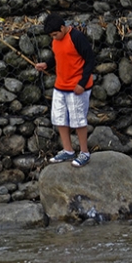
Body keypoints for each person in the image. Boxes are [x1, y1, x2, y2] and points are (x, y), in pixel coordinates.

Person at [34, 13, 96, 168]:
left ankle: (84, 152)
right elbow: (58, 56)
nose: (54, 38)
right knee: (59, 118)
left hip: (77, 87)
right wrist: (46, 65)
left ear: (63, 28)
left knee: (78, 119)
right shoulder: (56, 40)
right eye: (51, 36)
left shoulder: (76, 37)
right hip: (60, 86)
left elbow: (90, 60)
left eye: (55, 34)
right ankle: (68, 150)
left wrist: (82, 83)